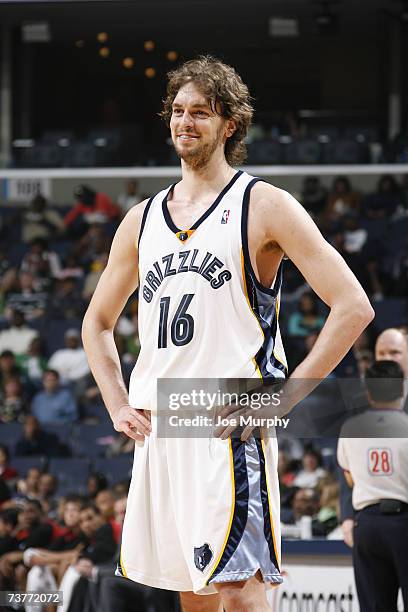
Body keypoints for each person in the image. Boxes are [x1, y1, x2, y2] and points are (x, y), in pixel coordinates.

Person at [82, 56, 373, 611]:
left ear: (230, 123)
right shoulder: (140, 219)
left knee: (242, 594)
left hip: (227, 419)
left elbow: (353, 306)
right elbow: (96, 323)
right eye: (177, 111)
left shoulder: (263, 204)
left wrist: (283, 397)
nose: (184, 122)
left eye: (200, 112)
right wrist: (116, 401)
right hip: (163, 428)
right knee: (197, 596)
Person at [337, 361, 408, 611]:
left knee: (375, 606)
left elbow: (348, 478)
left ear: (368, 391)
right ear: (402, 390)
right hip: (402, 521)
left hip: (367, 524)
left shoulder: (350, 428)